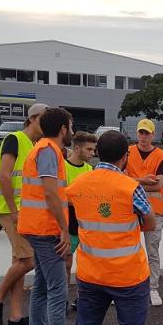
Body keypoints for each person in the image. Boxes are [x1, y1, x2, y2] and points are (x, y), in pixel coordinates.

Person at [64, 130, 163, 325]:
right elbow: (149, 222)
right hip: (128, 276)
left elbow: (72, 213)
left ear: (97, 153)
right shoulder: (128, 186)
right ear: (126, 157)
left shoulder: (79, 183)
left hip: (90, 273)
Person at [17, 107, 73, 325]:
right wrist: (64, 229)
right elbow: (51, 192)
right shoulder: (49, 151)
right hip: (46, 229)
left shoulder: (40, 148)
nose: (71, 131)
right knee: (57, 290)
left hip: (34, 227)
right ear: (63, 129)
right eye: (70, 126)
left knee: (42, 286)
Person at [0, 103, 47, 325]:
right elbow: (5, 176)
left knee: (19, 261)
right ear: (32, 118)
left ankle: (15, 317)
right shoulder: (14, 139)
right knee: (29, 260)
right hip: (10, 208)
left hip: (22, 210)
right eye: (44, 118)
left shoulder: (33, 144)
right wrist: (13, 210)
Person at [125, 118, 163, 307]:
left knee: (152, 250)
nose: (143, 136)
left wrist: (132, 181)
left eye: (147, 133)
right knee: (129, 250)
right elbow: (120, 179)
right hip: (129, 209)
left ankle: (153, 288)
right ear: (137, 133)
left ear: (153, 134)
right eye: (141, 132)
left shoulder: (161, 156)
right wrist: (143, 180)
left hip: (153, 211)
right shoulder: (128, 151)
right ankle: (127, 287)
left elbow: (159, 185)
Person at [64, 131, 97, 310]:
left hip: (85, 223)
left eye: (94, 149)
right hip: (68, 223)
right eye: (89, 149)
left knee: (85, 264)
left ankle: (81, 297)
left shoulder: (89, 170)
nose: (93, 153)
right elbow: (60, 196)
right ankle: (62, 298)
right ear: (77, 148)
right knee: (66, 263)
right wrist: (80, 198)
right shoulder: (62, 166)